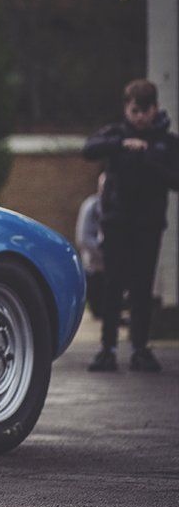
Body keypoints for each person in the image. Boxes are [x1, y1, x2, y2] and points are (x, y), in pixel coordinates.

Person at [84, 79, 179, 373]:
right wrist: (122, 145)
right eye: (134, 111)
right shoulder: (116, 135)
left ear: (155, 109)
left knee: (141, 288)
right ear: (126, 109)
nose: (139, 117)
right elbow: (89, 149)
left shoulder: (166, 142)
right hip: (116, 223)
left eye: (144, 111)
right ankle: (107, 348)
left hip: (148, 225)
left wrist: (149, 158)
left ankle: (140, 348)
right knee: (112, 286)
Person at [75, 173, 107, 319]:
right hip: (94, 265)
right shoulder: (91, 206)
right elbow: (83, 238)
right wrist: (103, 253)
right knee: (98, 310)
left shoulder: (118, 206)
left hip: (111, 266)